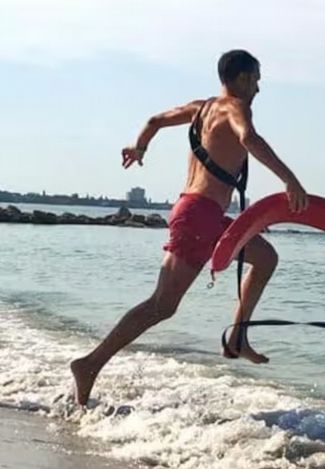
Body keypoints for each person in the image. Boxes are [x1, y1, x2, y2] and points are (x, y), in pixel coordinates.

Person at [70, 49, 308, 406]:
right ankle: (90, 364)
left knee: (265, 257)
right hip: (200, 216)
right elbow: (249, 140)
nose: (258, 88)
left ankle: (237, 338)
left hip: (198, 212)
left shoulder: (201, 108)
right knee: (161, 306)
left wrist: (139, 148)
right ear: (241, 78)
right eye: (256, 79)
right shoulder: (234, 108)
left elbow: (154, 120)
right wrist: (291, 181)